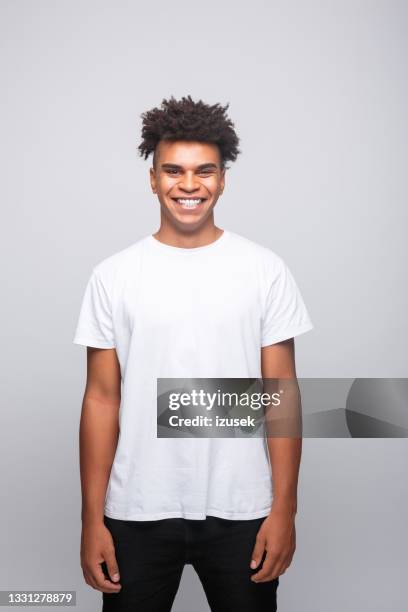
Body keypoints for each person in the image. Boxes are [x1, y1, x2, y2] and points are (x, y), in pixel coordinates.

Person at [73, 95, 314, 611]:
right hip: (136, 510)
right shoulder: (112, 276)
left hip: (243, 509)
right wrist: (92, 518)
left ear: (223, 179)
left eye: (204, 171)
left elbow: (282, 396)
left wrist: (284, 510)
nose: (188, 185)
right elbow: (100, 399)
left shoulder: (264, 270)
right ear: (153, 178)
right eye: (173, 171)